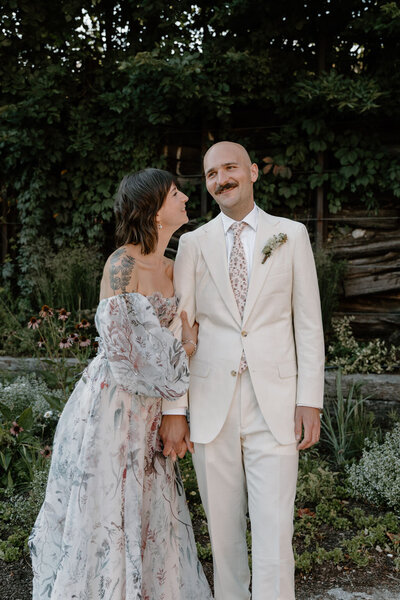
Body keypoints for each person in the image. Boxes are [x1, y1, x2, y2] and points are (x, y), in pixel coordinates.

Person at [29, 168, 213, 600]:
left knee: (150, 506)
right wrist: (184, 348)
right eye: (175, 193)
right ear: (152, 209)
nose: (186, 197)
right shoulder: (122, 264)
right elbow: (124, 353)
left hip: (153, 409)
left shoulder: (175, 267)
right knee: (112, 503)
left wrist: (176, 405)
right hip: (114, 406)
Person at [159, 142, 325, 600]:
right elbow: (181, 327)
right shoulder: (192, 243)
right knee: (225, 538)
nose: (221, 179)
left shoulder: (291, 234)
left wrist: (309, 399)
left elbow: (308, 323)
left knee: (275, 534)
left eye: (230, 168)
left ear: (253, 171)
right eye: (212, 173)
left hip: (275, 402)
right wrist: (177, 406)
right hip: (211, 406)